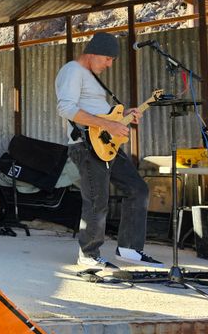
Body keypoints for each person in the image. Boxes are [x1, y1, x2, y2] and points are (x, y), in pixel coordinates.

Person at [55, 32, 162, 269]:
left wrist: (121, 116)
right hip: (86, 145)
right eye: (107, 58)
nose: (109, 64)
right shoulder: (72, 70)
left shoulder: (91, 76)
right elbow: (65, 108)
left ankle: (129, 249)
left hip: (107, 144)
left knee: (137, 189)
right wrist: (108, 124)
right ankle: (88, 255)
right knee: (96, 200)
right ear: (93, 53)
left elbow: (99, 110)